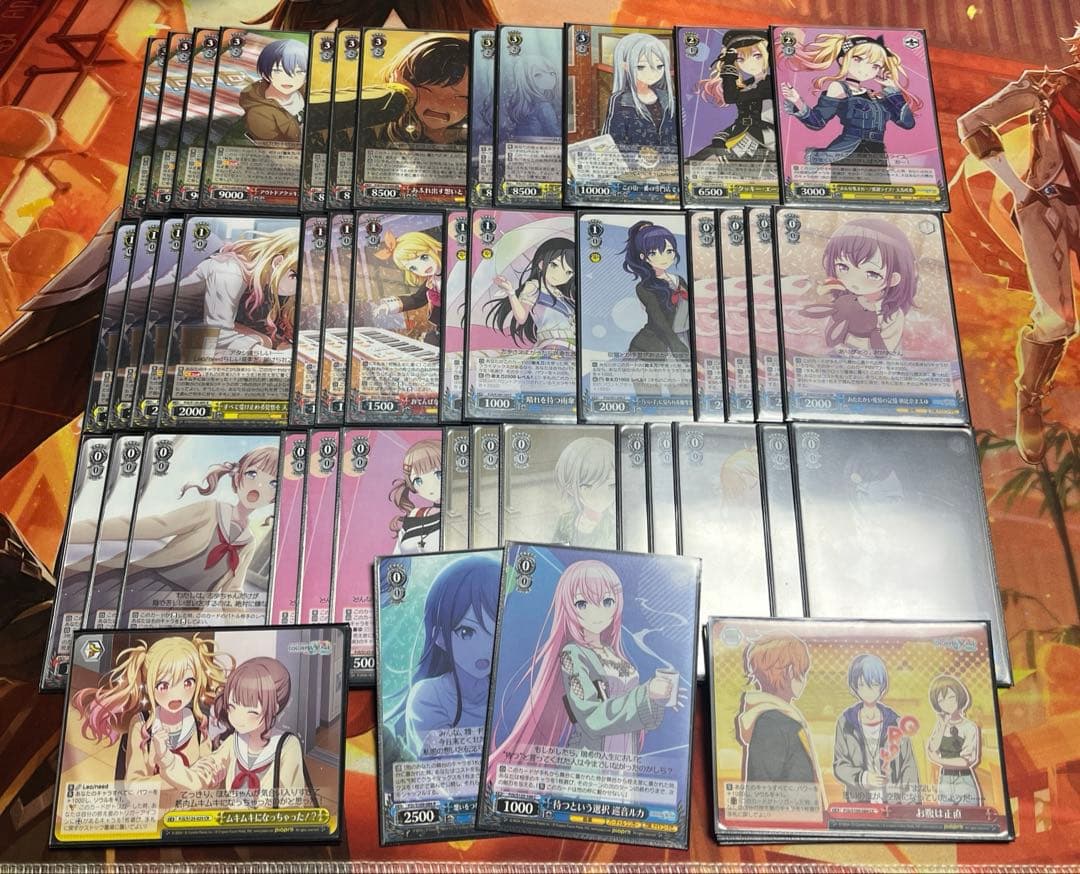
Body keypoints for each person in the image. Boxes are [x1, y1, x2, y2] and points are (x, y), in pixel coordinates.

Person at [957, 24, 1080, 464]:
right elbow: (971, 123)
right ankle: (1030, 395)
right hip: (1048, 206)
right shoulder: (1047, 88)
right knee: (1057, 318)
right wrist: (1018, 187)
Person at [487, 559, 673, 777]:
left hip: (623, 765)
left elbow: (642, 721)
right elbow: (592, 718)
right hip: (589, 769)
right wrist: (646, 694)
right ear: (568, 607)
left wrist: (656, 699)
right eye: (582, 604)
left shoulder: (617, 656)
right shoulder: (573, 655)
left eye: (607, 601)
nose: (597, 613)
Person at [67, 444, 279, 618]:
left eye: (272, 483)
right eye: (252, 474)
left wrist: (245, 632)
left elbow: (232, 592)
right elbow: (153, 527)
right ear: (238, 476)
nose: (259, 486)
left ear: (274, 497)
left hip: (186, 610)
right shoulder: (209, 510)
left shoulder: (248, 542)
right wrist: (74, 533)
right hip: (149, 587)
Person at [153, 656, 316, 809]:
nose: (237, 717)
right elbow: (196, 780)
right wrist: (165, 757)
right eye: (232, 706)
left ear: (274, 707)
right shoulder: (234, 742)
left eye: (250, 709)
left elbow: (291, 805)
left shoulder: (287, 746)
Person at [72, 634, 229, 781]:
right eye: (163, 685)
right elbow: (133, 786)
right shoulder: (141, 724)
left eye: (187, 683)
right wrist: (185, 779)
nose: (176, 695)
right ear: (148, 684)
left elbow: (207, 778)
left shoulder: (199, 722)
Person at [392, 554, 500, 759]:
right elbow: (449, 766)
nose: (484, 647)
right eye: (467, 632)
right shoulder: (429, 696)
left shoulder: (507, 693)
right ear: (440, 637)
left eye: (496, 631)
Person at [781, 33, 920, 168]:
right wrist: (797, 101)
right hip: (849, 151)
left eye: (875, 66)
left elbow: (908, 123)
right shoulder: (839, 88)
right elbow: (817, 122)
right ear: (843, 60)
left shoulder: (877, 96)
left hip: (877, 154)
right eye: (858, 59)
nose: (865, 69)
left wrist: (891, 89)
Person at [799, 217, 918, 354]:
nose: (854, 281)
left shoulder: (893, 315)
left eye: (872, 274)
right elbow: (830, 334)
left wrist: (869, 332)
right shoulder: (844, 301)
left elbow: (885, 352)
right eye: (843, 267)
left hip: (873, 363)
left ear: (893, 279)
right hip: (838, 356)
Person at [736, 632, 825, 808]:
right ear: (790, 671)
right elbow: (762, 795)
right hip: (786, 819)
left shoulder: (783, 718)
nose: (804, 679)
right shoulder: (772, 723)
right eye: (803, 672)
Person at [832, 653, 921, 804]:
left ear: (882, 686)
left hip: (892, 803)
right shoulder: (846, 722)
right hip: (859, 802)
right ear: (854, 687)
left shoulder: (896, 723)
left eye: (873, 684)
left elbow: (908, 768)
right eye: (862, 684)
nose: (868, 690)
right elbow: (840, 765)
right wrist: (863, 778)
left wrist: (911, 808)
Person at [360, 35, 470, 148]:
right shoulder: (378, 130)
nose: (439, 103)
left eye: (458, 96)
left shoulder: (473, 135)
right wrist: (401, 99)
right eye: (427, 91)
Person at [691, 30, 776, 172]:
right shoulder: (747, 84)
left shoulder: (770, 84)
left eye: (757, 56)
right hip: (742, 135)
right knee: (694, 163)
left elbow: (731, 97)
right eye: (741, 59)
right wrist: (721, 138)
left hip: (765, 142)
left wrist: (728, 64)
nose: (749, 63)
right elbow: (743, 120)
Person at [602, 33, 677, 173]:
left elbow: (677, 137)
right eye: (641, 66)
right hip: (635, 171)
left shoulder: (668, 99)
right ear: (625, 66)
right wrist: (639, 158)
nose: (652, 73)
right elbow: (612, 141)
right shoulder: (620, 100)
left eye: (659, 66)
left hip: (669, 170)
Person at [484, 237, 577, 350]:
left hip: (571, 345)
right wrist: (511, 293)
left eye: (568, 272)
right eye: (554, 265)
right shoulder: (534, 287)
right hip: (552, 344)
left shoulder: (562, 296)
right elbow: (521, 317)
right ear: (541, 264)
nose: (560, 275)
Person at [622, 220, 691, 358]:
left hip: (685, 338)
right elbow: (658, 320)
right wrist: (676, 345)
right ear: (643, 257)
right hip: (656, 344)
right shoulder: (644, 287)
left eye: (669, 251)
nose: (664, 257)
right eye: (654, 253)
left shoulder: (679, 280)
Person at [372, 229, 442, 346]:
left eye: (423, 257)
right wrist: (389, 306)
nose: (422, 267)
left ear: (432, 247)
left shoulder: (456, 269)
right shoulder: (431, 281)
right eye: (413, 268)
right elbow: (417, 299)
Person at [925, 674, 982, 806]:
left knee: (969, 817)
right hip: (944, 779)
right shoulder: (941, 725)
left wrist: (939, 760)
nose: (947, 703)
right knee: (947, 816)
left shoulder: (969, 727)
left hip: (964, 779)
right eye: (941, 701)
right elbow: (932, 749)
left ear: (959, 697)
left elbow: (966, 761)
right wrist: (942, 725)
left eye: (951, 697)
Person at [551, 437, 617, 548]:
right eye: (589, 487)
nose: (603, 495)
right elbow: (556, 550)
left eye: (612, 485)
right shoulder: (565, 520)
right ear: (571, 489)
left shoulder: (615, 523)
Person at [240, 38, 308, 144]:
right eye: (278, 70)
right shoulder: (259, 114)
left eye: (299, 71)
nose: (288, 78)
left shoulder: (306, 91)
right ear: (265, 74)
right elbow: (278, 150)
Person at [388, 438, 442, 554]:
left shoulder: (464, 514)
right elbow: (397, 556)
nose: (430, 486)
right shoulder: (414, 515)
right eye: (418, 481)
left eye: (439, 474)